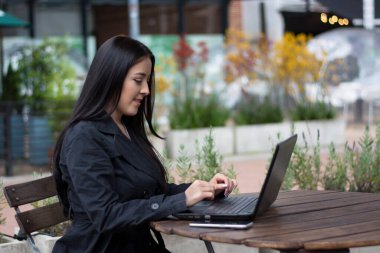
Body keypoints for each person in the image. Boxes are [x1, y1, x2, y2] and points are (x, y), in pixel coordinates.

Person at [51, 35, 236, 253]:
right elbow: (106, 216)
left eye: (147, 81)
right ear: (112, 77)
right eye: (138, 80)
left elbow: (149, 191)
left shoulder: (127, 129)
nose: (146, 90)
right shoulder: (84, 138)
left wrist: (204, 189)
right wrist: (182, 201)